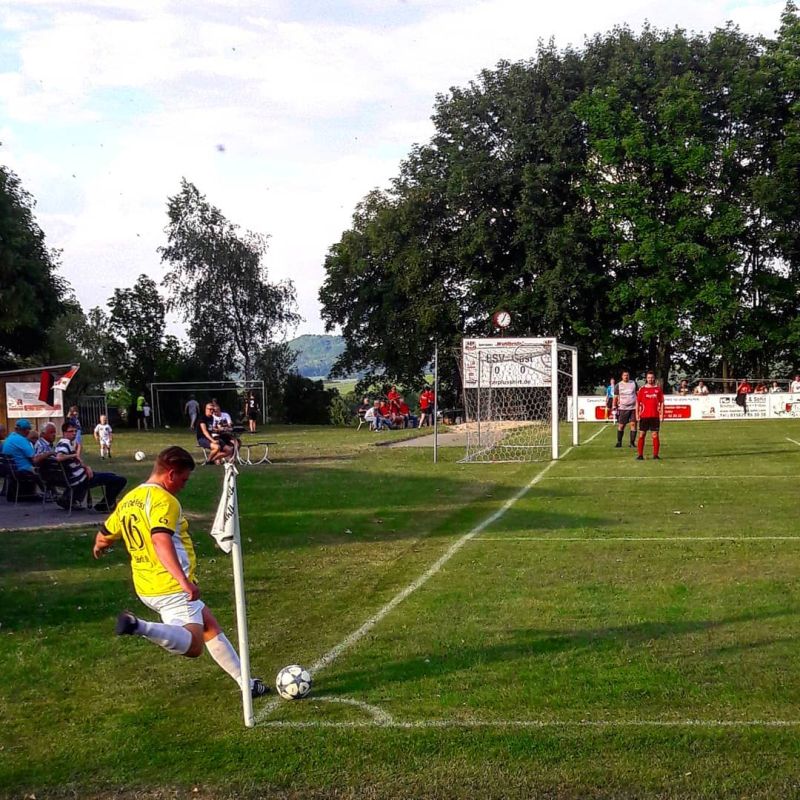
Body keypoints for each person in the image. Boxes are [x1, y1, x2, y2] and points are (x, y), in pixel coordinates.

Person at [92, 446, 270, 699]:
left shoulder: (130, 499)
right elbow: (160, 541)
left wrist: (99, 546)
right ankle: (138, 626)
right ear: (171, 474)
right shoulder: (165, 501)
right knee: (195, 645)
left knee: (209, 626)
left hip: (145, 584)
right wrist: (183, 581)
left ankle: (246, 684)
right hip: (170, 586)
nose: (184, 485)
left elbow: (105, 534)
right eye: (184, 479)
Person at [55, 421, 127, 511]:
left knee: (112, 476)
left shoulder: (65, 443)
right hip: (81, 480)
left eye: (75, 431)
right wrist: (74, 455)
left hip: (79, 477)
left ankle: (105, 504)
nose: (74, 433)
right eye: (71, 431)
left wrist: (85, 467)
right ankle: (105, 505)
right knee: (120, 480)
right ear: (64, 433)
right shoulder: (64, 444)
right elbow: (59, 457)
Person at [0, 419, 49, 499]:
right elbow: (35, 459)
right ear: (25, 430)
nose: (29, 431)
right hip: (23, 470)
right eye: (28, 429)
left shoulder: (10, 437)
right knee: (43, 468)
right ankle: (48, 493)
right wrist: (48, 454)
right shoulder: (21, 440)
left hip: (11, 470)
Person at [636, 371, 665, 461]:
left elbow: (662, 402)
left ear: (654, 378)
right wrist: (637, 414)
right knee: (642, 435)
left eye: (652, 378)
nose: (650, 379)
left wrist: (662, 415)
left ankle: (655, 455)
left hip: (655, 416)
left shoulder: (658, 389)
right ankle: (640, 455)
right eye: (649, 378)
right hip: (644, 416)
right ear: (646, 378)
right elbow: (637, 403)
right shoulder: (642, 389)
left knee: (655, 435)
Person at [613, 370, 637, 448]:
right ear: (622, 376)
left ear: (629, 376)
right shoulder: (618, 385)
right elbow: (615, 397)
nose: (626, 377)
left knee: (633, 424)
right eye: (624, 375)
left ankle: (632, 443)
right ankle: (619, 442)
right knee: (621, 425)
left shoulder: (633, 383)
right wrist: (614, 406)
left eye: (627, 375)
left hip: (633, 407)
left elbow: (638, 394)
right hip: (623, 408)